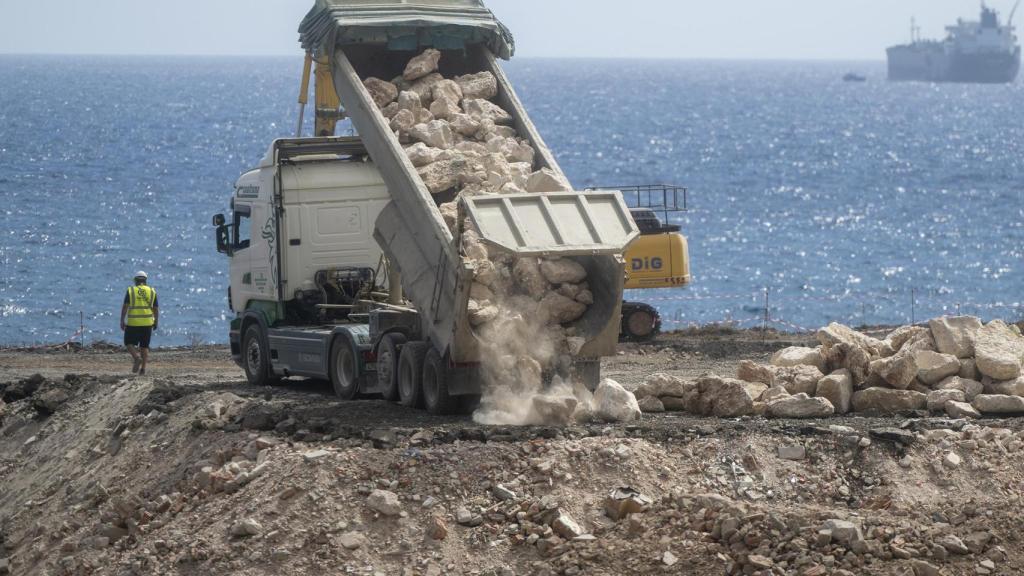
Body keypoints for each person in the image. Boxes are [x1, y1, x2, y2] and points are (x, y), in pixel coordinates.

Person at [120, 271, 159, 375]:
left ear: (135, 281)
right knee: (144, 346)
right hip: (147, 323)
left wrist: (122, 320)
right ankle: (143, 369)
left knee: (128, 343)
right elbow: (155, 308)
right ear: (145, 280)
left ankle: (136, 357)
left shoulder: (131, 290)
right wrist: (156, 321)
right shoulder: (151, 291)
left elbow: (125, 307)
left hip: (133, 322)